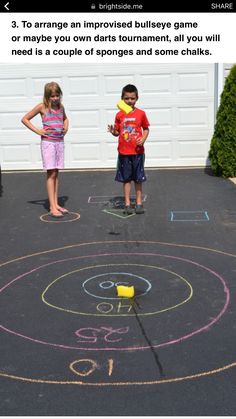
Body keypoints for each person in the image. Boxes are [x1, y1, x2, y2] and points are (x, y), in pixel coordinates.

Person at [21, 82, 69, 217]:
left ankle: (56, 203)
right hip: (48, 143)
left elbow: (65, 119)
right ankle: (52, 206)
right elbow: (25, 119)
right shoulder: (42, 107)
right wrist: (38, 131)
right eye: (52, 96)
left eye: (57, 95)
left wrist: (66, 127)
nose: (55, 98)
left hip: (59, 142)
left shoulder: (61, 107)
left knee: (56, 173)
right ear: (47, 96)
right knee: (51, 174)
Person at [108, 84, 150, 214]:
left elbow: (146, 129)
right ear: (122, 99)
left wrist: (143, 139)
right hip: (124, 152)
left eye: (132, 98)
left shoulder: (141, 114)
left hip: (137, 152)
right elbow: (117, 132)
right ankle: (127, 203)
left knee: (138, 178)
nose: (130, 101)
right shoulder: (119, 115)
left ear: (137, 98)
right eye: (127, 98)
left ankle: (138, 203)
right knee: (126, 179)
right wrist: (113, 131)